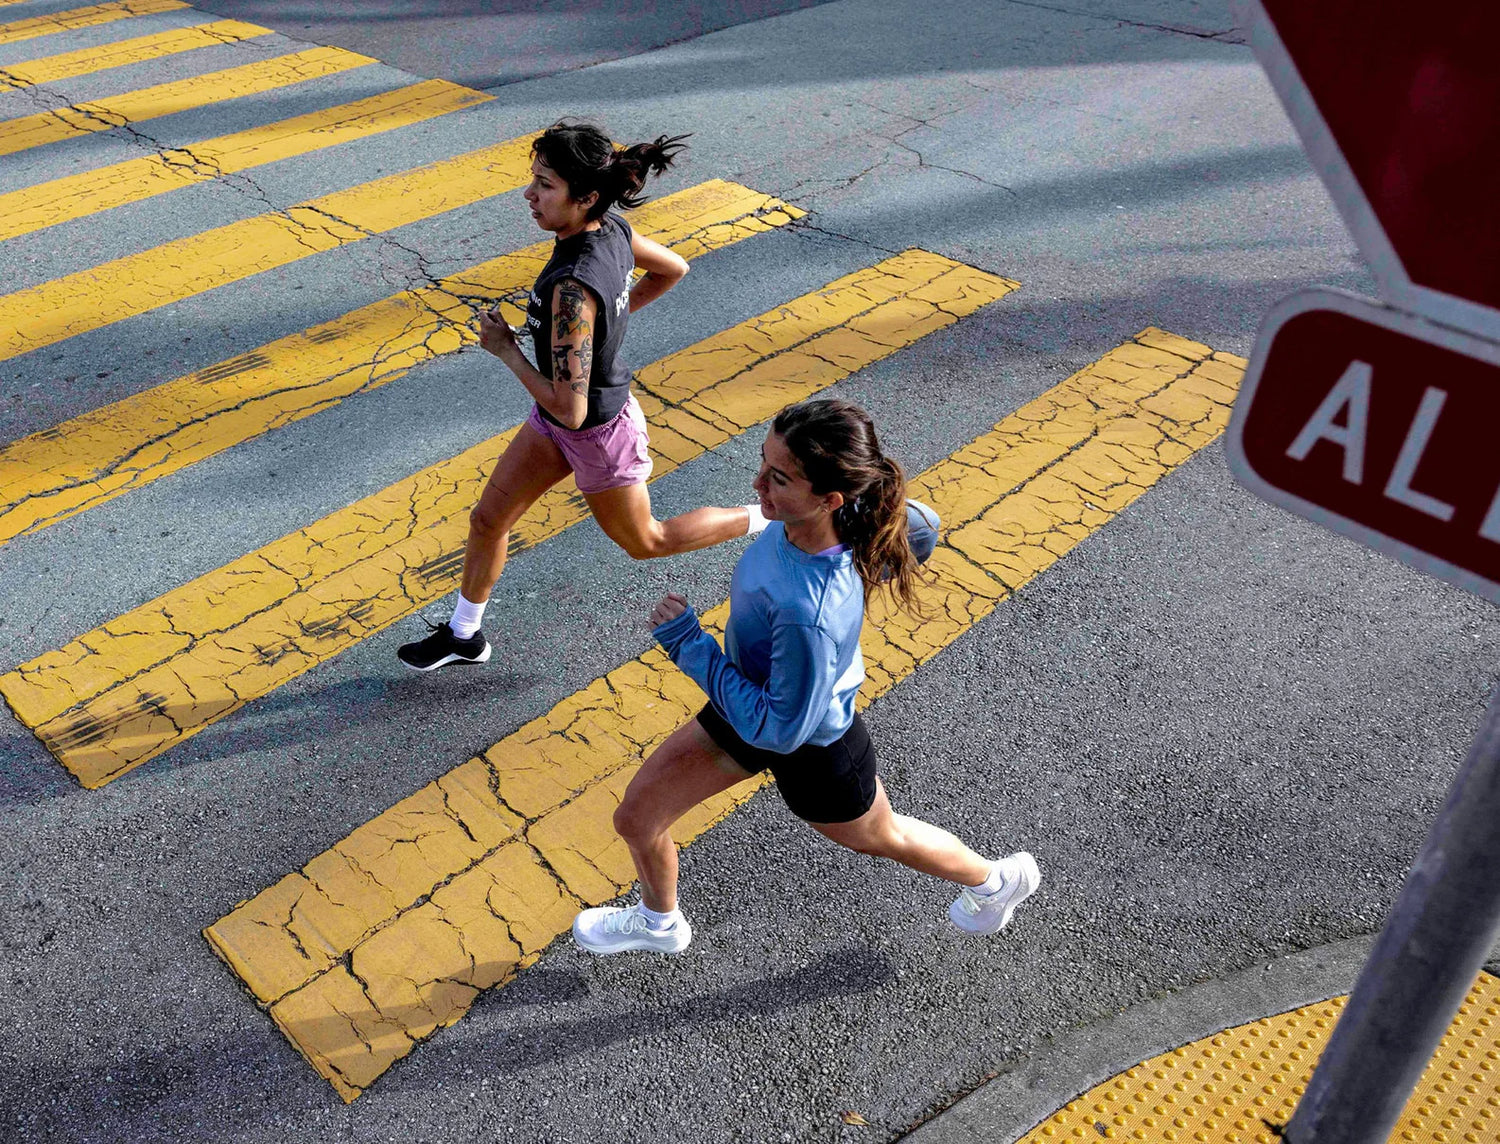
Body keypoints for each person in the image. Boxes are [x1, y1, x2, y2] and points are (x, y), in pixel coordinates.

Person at [572, 397, 1040, 955]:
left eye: (778, 478)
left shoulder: (807, 611)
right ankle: (659, 923)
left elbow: (780, 732)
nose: (758, 485)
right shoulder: (828, 518)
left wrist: (690, 647)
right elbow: (919, 527)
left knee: (881, 837)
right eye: (763, 464)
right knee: (638, 818)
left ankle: (997, 882)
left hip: (811, 744)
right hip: (745, 701)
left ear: (828, 498)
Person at [399, 121, 766, 671]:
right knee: (487, 520)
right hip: (556, 422)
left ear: (586, 197)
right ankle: (464, 635)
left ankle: (769, 516)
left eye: (545, 184)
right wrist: (601, 329)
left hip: (594, 430)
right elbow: (673, 268)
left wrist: (505, 349)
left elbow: (571, 407)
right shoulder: (610, 230)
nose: (529, 194)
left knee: (648, 541)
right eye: (534, 179)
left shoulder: (572, 287)